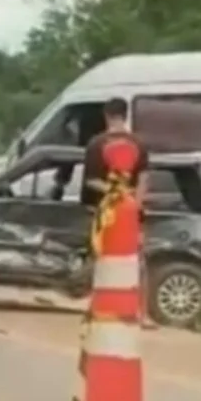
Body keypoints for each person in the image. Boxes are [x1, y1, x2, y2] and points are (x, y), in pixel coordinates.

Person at [80, 97, 153, 327]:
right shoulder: (139, 144)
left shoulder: (96, 144)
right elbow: (144, 179)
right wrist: (134, 203)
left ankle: (98, 304)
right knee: (137, 260)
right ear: (126, 115)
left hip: (107, 209)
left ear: (106, 116)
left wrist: (113, 192)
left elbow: (91, 180)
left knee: (101, 254)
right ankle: (143, 313)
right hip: (131, 209)